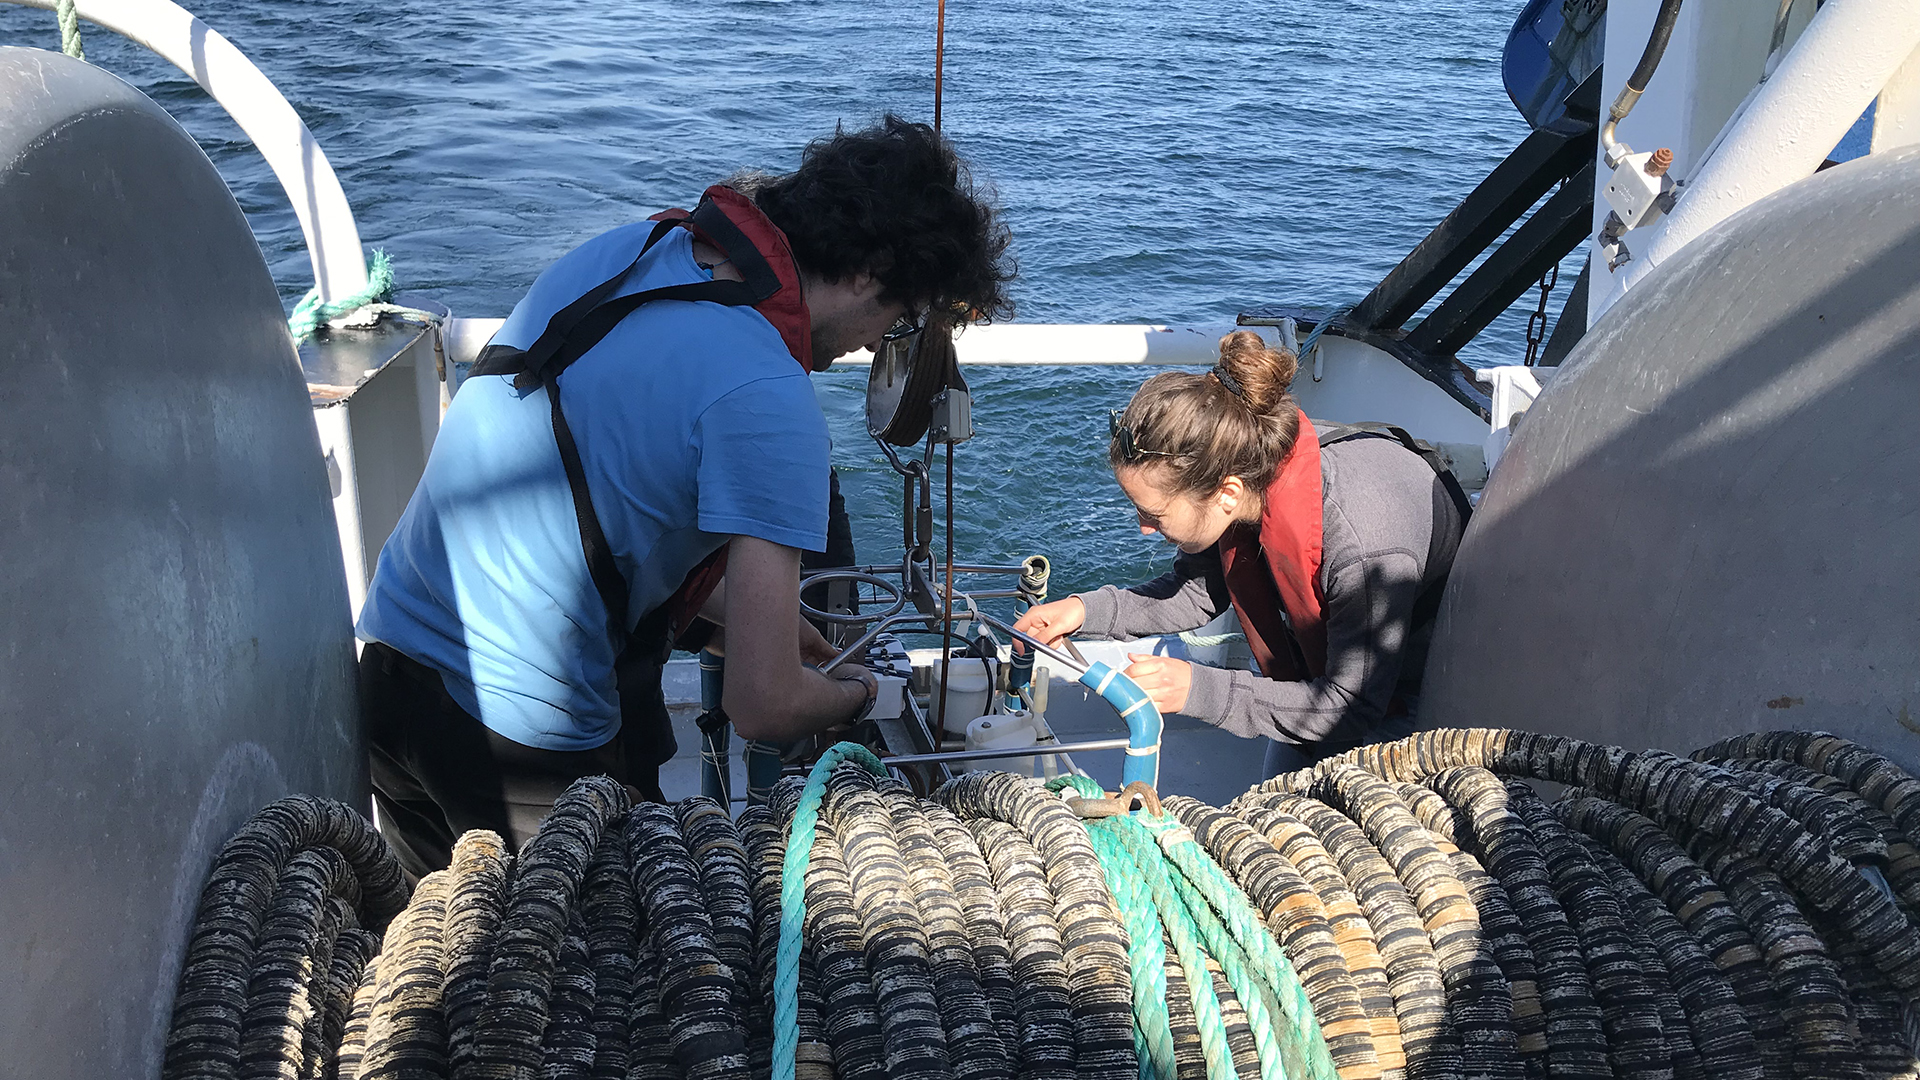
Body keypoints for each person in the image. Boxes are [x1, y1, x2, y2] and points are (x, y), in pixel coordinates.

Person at [356, 115, 1014, 876]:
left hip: (393, 677)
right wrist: (863, 693)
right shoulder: (769, 393)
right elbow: (762, 705)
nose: (876, 343)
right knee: (574, 985)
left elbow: (603, 498)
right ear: (868, 272)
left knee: (444, 949)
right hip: (518, 736)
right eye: (898, 318)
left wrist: (750, 619)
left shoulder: (635, 251)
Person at [1013, 330, 1469, 779]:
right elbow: (1196, 594)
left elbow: (1352, 706)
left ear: (1226, 493)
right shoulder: (1247, 470)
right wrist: (1081, 610)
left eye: (1153, 513)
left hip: (1419, 689)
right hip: (1332, 677)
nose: (1144, 528)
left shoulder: (1360, 544)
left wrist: (1197, 690)